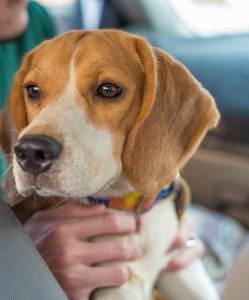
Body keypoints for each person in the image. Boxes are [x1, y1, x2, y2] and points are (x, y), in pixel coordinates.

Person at [0, 1, 205, 299]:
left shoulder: (32, 18)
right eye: (35, 93)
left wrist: (164, 210)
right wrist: (19, 265)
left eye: (107, 91)